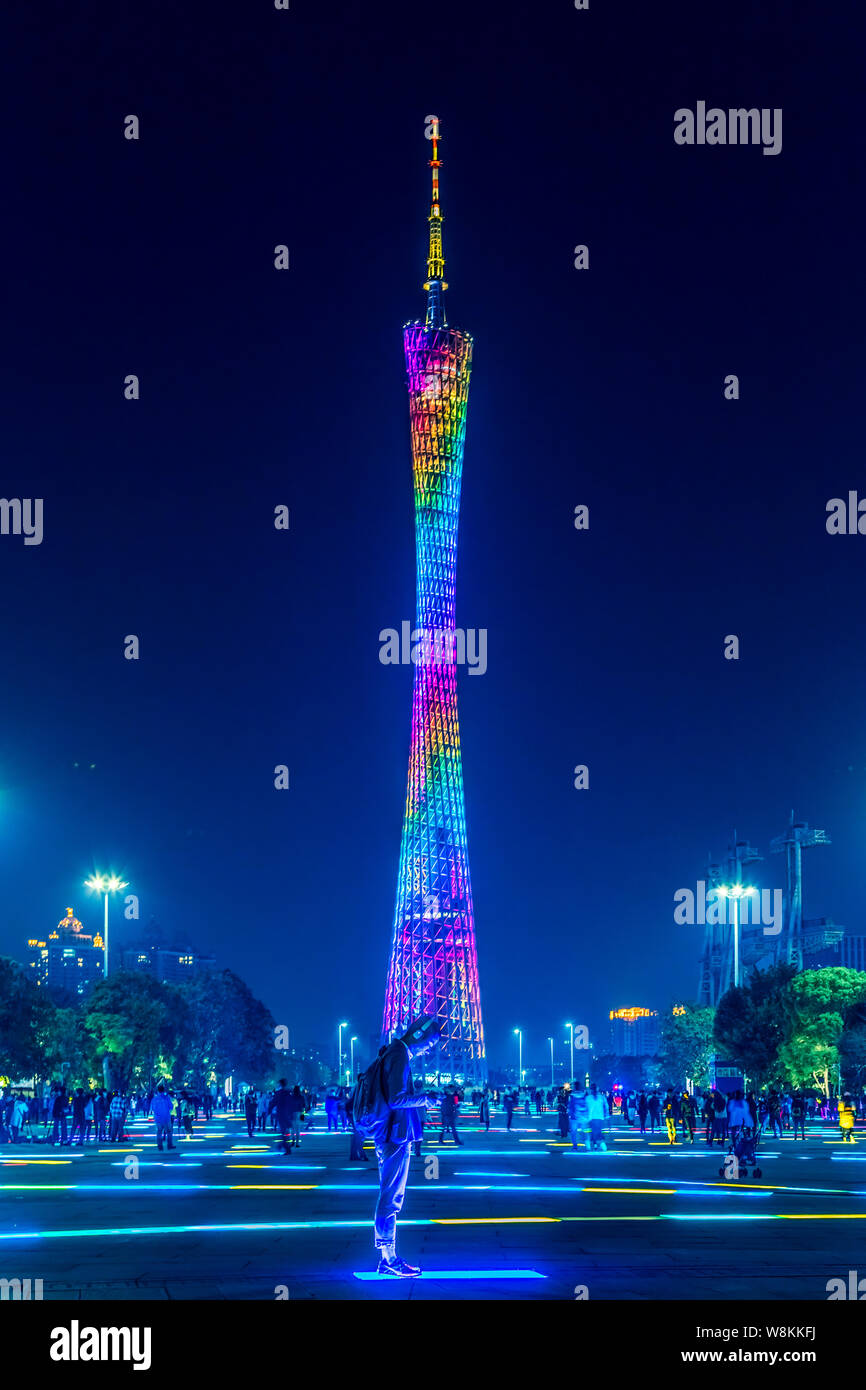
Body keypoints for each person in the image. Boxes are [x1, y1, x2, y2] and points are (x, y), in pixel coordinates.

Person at [358, 1015, 441, 1277]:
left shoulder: (391, 1052)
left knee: (390, 1193)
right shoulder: (399, 1055)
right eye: (427, 1045)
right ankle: (389, 1257)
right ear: (419, 1036)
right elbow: (396, 1099)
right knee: (392, 1196)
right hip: (394, 1136)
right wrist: (425, 1099)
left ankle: (387, 1256)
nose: (426, 1051)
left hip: (390, 1133)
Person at [268, 1079, 295, 1156]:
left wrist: (269, 1111)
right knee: (285, 1131)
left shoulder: (279, 1093)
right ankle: (281, 1145)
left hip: (281, 1115)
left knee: (283, 1132)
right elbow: (292, 1104)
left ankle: (286, 1148)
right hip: (288, 1114)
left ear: (280, 1084)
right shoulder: (288, 1093)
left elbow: (273, 1103)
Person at [151, 1084, 175, 1152]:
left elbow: (153, 1109)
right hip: (166, 1117)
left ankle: (160, 1146)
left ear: (158, 1090)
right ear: (163, 1090)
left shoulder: (154, 1099)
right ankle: (169, 1145)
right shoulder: (167, 1098)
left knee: (159, 1132)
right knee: (169, 1132)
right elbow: (171, 1107)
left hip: (158, 1118)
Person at [585, 1085, 608, 1150]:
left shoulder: (588, 1098)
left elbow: (586, 1108)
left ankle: (596, 1144)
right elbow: (606, 1106)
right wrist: (606, 1116)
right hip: (600, 1116)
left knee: (594, 1131)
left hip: (591, 1117)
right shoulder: (601, 1097)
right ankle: (601, 1143)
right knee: (598, 1130)